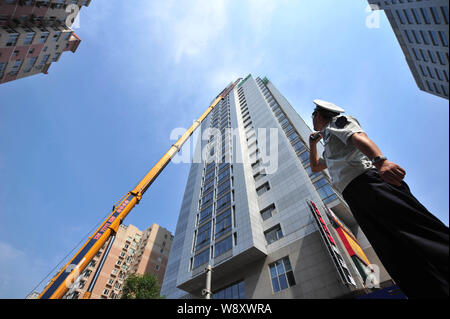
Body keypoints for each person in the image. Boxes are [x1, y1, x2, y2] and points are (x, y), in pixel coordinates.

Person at [309, 99, 449, 299]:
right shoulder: (328, 144)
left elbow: (358, 136)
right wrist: (312, 144)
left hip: (370, 183)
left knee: (417, 230)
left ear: (320, 114)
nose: (312, 120)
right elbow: (315, 166)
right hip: (355, 196)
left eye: (313, 115)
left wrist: (380, 161)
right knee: (393, 251)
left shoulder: (338, 122)